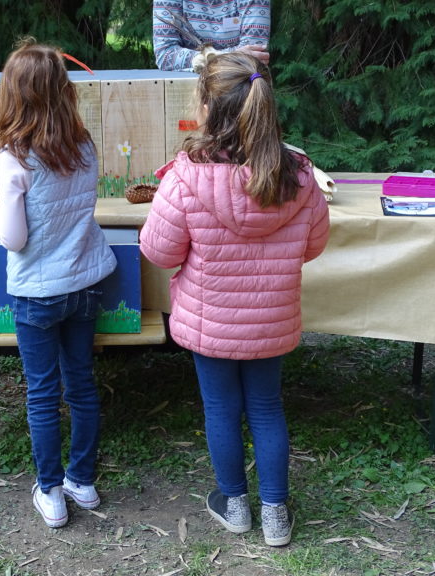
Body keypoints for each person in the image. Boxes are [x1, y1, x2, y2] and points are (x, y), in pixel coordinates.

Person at [139, 52, 330, 545]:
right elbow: (314, 244)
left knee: (221, 410)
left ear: (207, 107)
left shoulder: (185, 178)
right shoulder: (300, 177)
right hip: (271, 320)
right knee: (267, 407)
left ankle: (234, 504)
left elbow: (159, 252)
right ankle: (274, 516)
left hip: (210, 322)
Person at [0, 39, 117, 529]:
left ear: (13, 94)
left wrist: (1, 212)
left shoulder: (14, 157)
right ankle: (81, 481)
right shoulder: (83, 146)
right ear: (63, 92)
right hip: (84, 285)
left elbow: (14, 239)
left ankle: (50, 491)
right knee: (82, 385)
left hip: (36, 293)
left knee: (43, 394)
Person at [153, 0, 271, 71]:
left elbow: (254, 57)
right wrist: (222, 56)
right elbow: (165, 54)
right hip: (185, 89)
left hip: (242, 90)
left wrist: (200, 60)